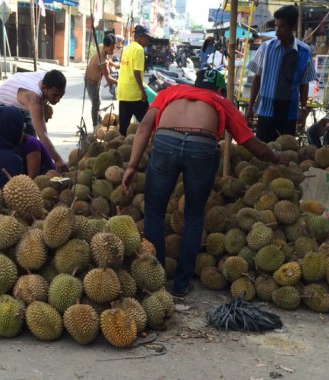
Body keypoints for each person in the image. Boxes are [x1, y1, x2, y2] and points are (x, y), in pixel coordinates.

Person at [121, 69, 289, 299]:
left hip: (166, 141)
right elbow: (252, 144)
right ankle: (180, 285)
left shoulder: (171, 92)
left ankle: (155, 281)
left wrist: (132, 165)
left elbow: (144, 126)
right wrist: (277, 158)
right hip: (201, 147)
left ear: (194, 84)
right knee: (193, 214)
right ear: (219, 90)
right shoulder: (220, 101)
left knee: (153, 211)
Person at [246, 5, 318, 142]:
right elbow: (257, 78)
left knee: (286, 154)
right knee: (263, 153)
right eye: (276, 25)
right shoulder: (266, 48)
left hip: (289, 113)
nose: (277, 31)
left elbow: (304, 83)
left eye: (282, 26)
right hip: (266, 110)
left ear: (292, 28)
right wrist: (250, 106)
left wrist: (303, 110)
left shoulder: (304, 51)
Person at [0, 69, 68, 171]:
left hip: (21, 98)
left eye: (61, 95)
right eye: (55, 95)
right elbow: (42, 133)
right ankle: (15, 172)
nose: (58, 99)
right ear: (44, 88)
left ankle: (31, 171)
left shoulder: (48, 77)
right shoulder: (34, 99)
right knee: (15, 141)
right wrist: (58, 160)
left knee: (31, 140)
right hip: (2, 102)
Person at [117, 24, 151, 136]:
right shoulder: (139, 49)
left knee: (123, 129)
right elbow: (136, 72)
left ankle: (120, 150)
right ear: (141, 36)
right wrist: (142, 91)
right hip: (134, 94)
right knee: (148, 123)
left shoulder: (127, 48)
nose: (148, 41)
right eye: (147, 38)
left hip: (123, 93)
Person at [85, 33, 119, 128]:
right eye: (111, 49)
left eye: (113, 49)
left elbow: (108, 59)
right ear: (105, 46)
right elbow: (108, 77)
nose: (112, 51)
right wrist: (118, 82)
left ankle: (99, 121)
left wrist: (115, 65)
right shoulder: (102, 61)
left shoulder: (102, 49)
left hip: (96, 80)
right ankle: (95, 125)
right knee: (96, 104)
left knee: (98, 101)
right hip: (91, 81)